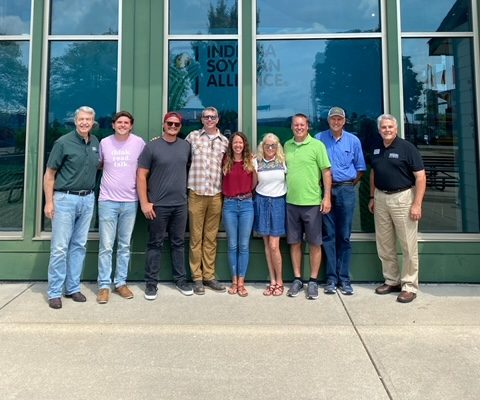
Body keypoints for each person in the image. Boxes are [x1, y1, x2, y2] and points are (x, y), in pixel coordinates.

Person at [43, 106, 100, 309]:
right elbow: (49, 174)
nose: (85, 123)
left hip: (87, 199)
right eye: (81, 119)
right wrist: (49, 202)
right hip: (65, 199)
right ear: (75, 121)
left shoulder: (95, 142)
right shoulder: (63, 143)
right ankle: (55, 292)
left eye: (88, 120)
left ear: (93, 122)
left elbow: (97, 165)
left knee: (78, 246)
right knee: (59, 248)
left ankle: (73, 288)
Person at [368, 113, 426, 303]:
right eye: (383, 127)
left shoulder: (407, 148)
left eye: (390, 127)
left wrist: (417, 204)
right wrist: (372, 196)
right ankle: (391, 280)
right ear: (379, 130)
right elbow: (373, 173)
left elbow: (420, 177)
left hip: (403, 198)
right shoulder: (376, 148)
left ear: (396, 128)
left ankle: (409, 285)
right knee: (384, 243)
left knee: (408, 245)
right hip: (381, 197)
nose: (387, 130)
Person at [137, 112, 193, 300]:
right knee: (155, 244)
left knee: (178, 244)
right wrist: (144, 202)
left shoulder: (186, 146)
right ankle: (151, 284)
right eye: (170, 123)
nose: (173, 127)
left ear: (180, 127)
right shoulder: (151, 147)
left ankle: (181, 280)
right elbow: (141, 175)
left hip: (180, 204)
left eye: (177, 125)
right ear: (163, 124)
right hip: (158, 205)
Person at [315, 107, 366, 295]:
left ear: (344, 121)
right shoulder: (319, 139)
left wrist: (349, 184)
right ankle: (330, 278)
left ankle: (344, 279)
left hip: (346, 189)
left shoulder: (353, 141)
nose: (336, 122)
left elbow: (360, 168)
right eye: (333, 119)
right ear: (328, 121)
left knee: (344, 235)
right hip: (326, 190)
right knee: (328, 235)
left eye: (339, 119)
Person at [96, 111, 145, 304]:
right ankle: (103, 286)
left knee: (124, 245)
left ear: (131, 125)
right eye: (119, 122)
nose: (123, 125)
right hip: (107, 200)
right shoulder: (104, 143)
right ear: (113, 125)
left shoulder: (139, 143)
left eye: (126, 122)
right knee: (106, 246)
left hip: (130, 201)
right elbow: (99, 165)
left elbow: (145, 167)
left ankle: (121, 283)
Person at [284, 113, 332, 300]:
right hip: (291, 203)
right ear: (292, 127)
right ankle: (297, 279)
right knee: (294, 243)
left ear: (307, 126)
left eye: (302, 124)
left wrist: (326, 197)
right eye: (296, 125)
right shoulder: (286, 146)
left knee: (314, 243)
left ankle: (312, 281)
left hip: (312, 203)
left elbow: (326, 173)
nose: (299, 127)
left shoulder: (317, 146)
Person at [185, 106, 229, 295]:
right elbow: (179, 154)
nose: (209, 119)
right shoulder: (192, 137)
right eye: (206, 117)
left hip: (216, 194)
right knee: (196, 238)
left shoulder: (225, 142)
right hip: (196, 192)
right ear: (201, 119)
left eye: (213, 117)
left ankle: (209, 276)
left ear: (218, 119)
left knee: (211, 238)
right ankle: (197, 278)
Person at [222, 132, 256, 297]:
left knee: (243, 245)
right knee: (232, 245)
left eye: (240, 142)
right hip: (229, 204)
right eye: (235, 142)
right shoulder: (225, 160)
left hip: (246, 204)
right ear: (231, 144)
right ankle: (234, 281)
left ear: (244, 144)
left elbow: (255, 182)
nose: (237, 145)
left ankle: (241, 282)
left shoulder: (250, 161)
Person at [253, 133, 287, 297]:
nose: (270, 148)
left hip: (278, 203)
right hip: (261, 201)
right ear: (262, 146)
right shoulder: (256, 162)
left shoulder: (283, 161)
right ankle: (272, 281)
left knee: (274, 245)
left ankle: (280, 281)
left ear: (278, 146)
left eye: (273, 145)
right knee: (267, 245)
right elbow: (253, 183)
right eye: (267, 145)